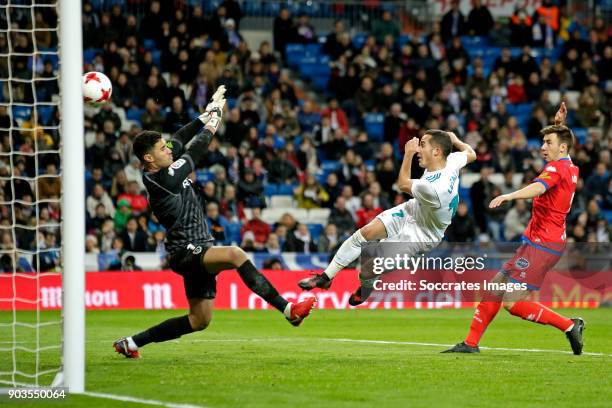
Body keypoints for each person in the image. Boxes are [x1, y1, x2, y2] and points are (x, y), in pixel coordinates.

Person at [113, 86, 315, 359]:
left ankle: (132, 343)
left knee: (199, 321)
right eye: (162, 148)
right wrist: (213, 124)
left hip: (198, 246)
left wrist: (203, 116)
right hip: (184, 251)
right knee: (235, 254)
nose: (168, 149)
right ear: (149, 158)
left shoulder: (161, 163)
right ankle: (288, 310)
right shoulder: (161, 180)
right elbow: (194, 151)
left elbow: (180, 139)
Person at [444, 103, 585, 355]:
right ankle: (470, 343)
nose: (543, 147)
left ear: (561, 147)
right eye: (543, 142)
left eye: (548, 143)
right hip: (538, 241)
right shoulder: (570, 165)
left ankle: (569, 325)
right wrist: (560, 126)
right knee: (495, 286)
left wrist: (509, 196)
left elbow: (539, 188)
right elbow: (565, 146)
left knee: (512, 302)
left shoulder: (556, 168)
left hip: (543, 244)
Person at [299, 130, 476, 305]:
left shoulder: (435, 188)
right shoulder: (451, 160)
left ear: (437, 151)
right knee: (364, 234)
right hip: (413, 210)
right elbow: (471, 153)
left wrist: (408, 154)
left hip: (421, 235)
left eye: (422, 145)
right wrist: (456, 140)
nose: (418, 150)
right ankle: (326, 277)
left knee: (368, 268)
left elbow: (402, 184)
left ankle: (367, 287)